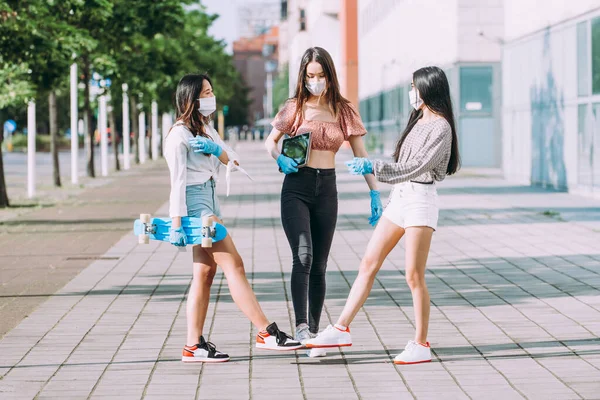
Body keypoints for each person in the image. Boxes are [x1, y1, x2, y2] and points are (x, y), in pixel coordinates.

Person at [305, 66, 460, 365]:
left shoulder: (441, 127)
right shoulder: (418, 121)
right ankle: (340, 328)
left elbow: (417, 166)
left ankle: (421, 343)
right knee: (368, 263)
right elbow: (403, 162)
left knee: (413, 276)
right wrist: (381, 188)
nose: (411, 92)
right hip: (401, 197)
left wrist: (373, 167)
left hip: (420, 200)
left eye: (414, 86)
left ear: (428, 89)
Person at [164, 73, 302, 363]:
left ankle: (193, 346)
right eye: (206, 92)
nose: (211, 97)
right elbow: (176, 182)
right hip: (196, 204)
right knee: (234, 264)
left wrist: (218, 150)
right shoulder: (178, 136)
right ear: (190, 98)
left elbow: (234, 158)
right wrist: (176, 223)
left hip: (209, 198)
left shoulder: (204, 128)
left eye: (211, 90)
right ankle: (266, 331)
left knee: (204, 273)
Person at [265, 47, 383, 357]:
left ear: (330, 76)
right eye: (310, 76)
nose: (315, 82)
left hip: (327, 189)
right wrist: (279, 159)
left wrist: (374, 191)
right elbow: (270, 141)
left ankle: (314, 335)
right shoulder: (295, 107)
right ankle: (301, 326)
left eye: (321, 76)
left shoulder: (344, 110)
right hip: (297, 186)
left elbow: (361, 153)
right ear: (303, 77)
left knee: (319, 264)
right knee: (302, 255)